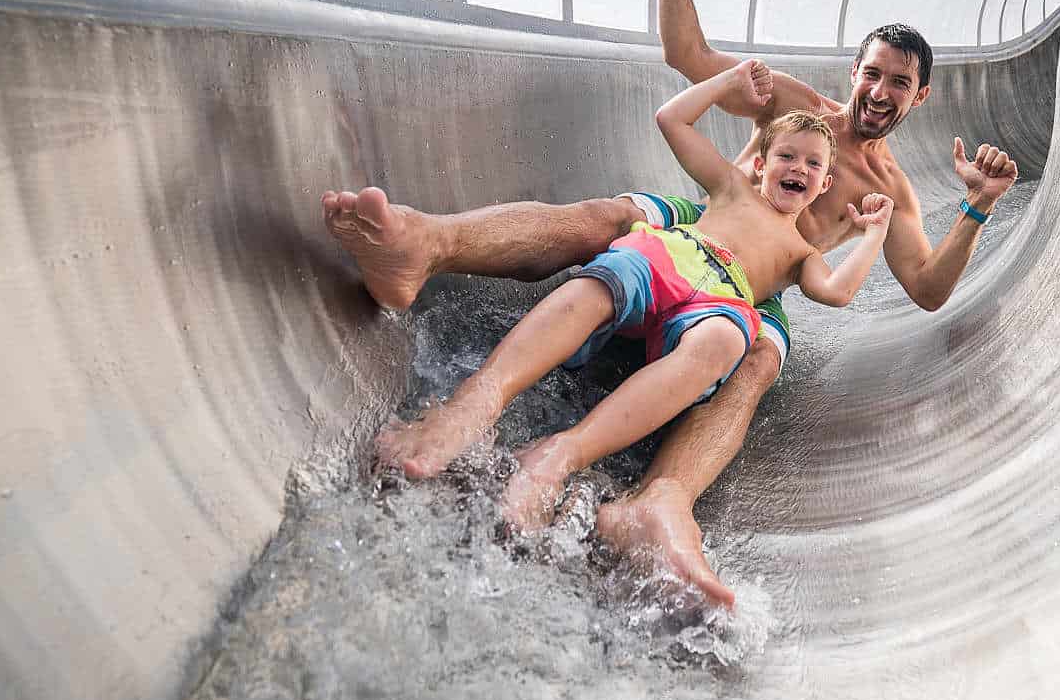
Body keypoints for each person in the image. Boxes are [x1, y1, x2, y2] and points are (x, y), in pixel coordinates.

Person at [322, 0, 1019, 605]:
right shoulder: (792, 105)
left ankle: (661, 503)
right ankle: (425, 245)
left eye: (899, 83)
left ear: (922, 98)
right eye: (872, 73)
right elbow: (686, 56)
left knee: (753, 361)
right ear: (854, 72)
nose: (879, 91)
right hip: (703, 219)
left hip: (759, 286)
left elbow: (929, 287)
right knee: (606, 217)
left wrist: (976, 207)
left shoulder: (892, 190)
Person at [376, 59, 894, 531]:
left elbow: (837, 291)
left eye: (811, 166)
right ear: (760, 163)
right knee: (609, 279)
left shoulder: (801, 252)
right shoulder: (731, 190)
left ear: (826, 185)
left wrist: (873, 234)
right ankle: (476, 404)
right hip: (673, 253)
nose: (798, 169)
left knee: (722, 344)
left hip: (723, 300)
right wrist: (724, 84)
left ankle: (561, 455)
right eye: (787, 156)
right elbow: (672, 120)